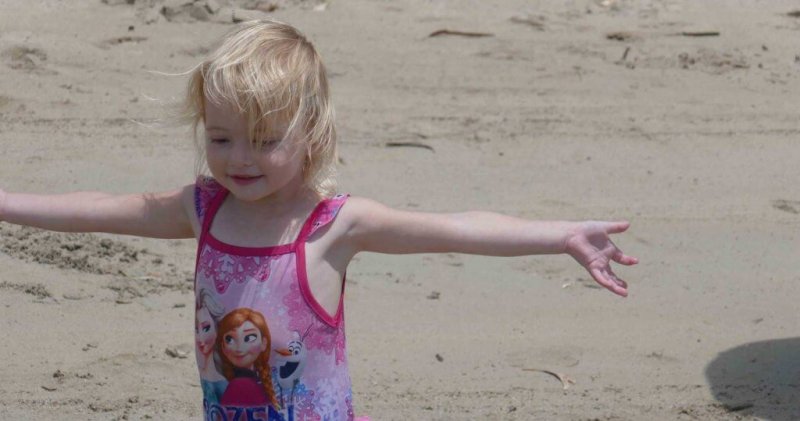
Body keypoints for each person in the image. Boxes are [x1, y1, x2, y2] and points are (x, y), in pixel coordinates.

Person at [0, 19, 638, 421]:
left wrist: (559, 235)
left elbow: (457, 226)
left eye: (264, 139)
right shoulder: (202, 209)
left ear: (312, 133)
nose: (239, 159)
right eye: (221, 139)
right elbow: (99, 210)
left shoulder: (336, 225)